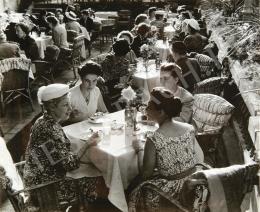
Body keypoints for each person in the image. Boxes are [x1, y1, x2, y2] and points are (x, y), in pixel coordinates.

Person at [24, 83, 100, 210]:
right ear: (52, 107)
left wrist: (67, 115)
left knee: (89, 167)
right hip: (46, 187)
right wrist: (87, 144)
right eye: (65, 105)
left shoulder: (43, 121)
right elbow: (69, 165)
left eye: (69, 104)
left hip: (36, 178)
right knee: (96, 174)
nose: (70, 108)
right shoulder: (50, 129)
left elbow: (55, 156)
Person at [128, 87, 204, 211]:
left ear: (161, 112)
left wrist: (139, 150)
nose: (145, 110)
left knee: (134, 189)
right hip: (194, 183)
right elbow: (198, 154)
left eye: (149, 107)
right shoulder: (189, 128)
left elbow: (146, 174)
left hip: (173, 192)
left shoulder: (154, 139)